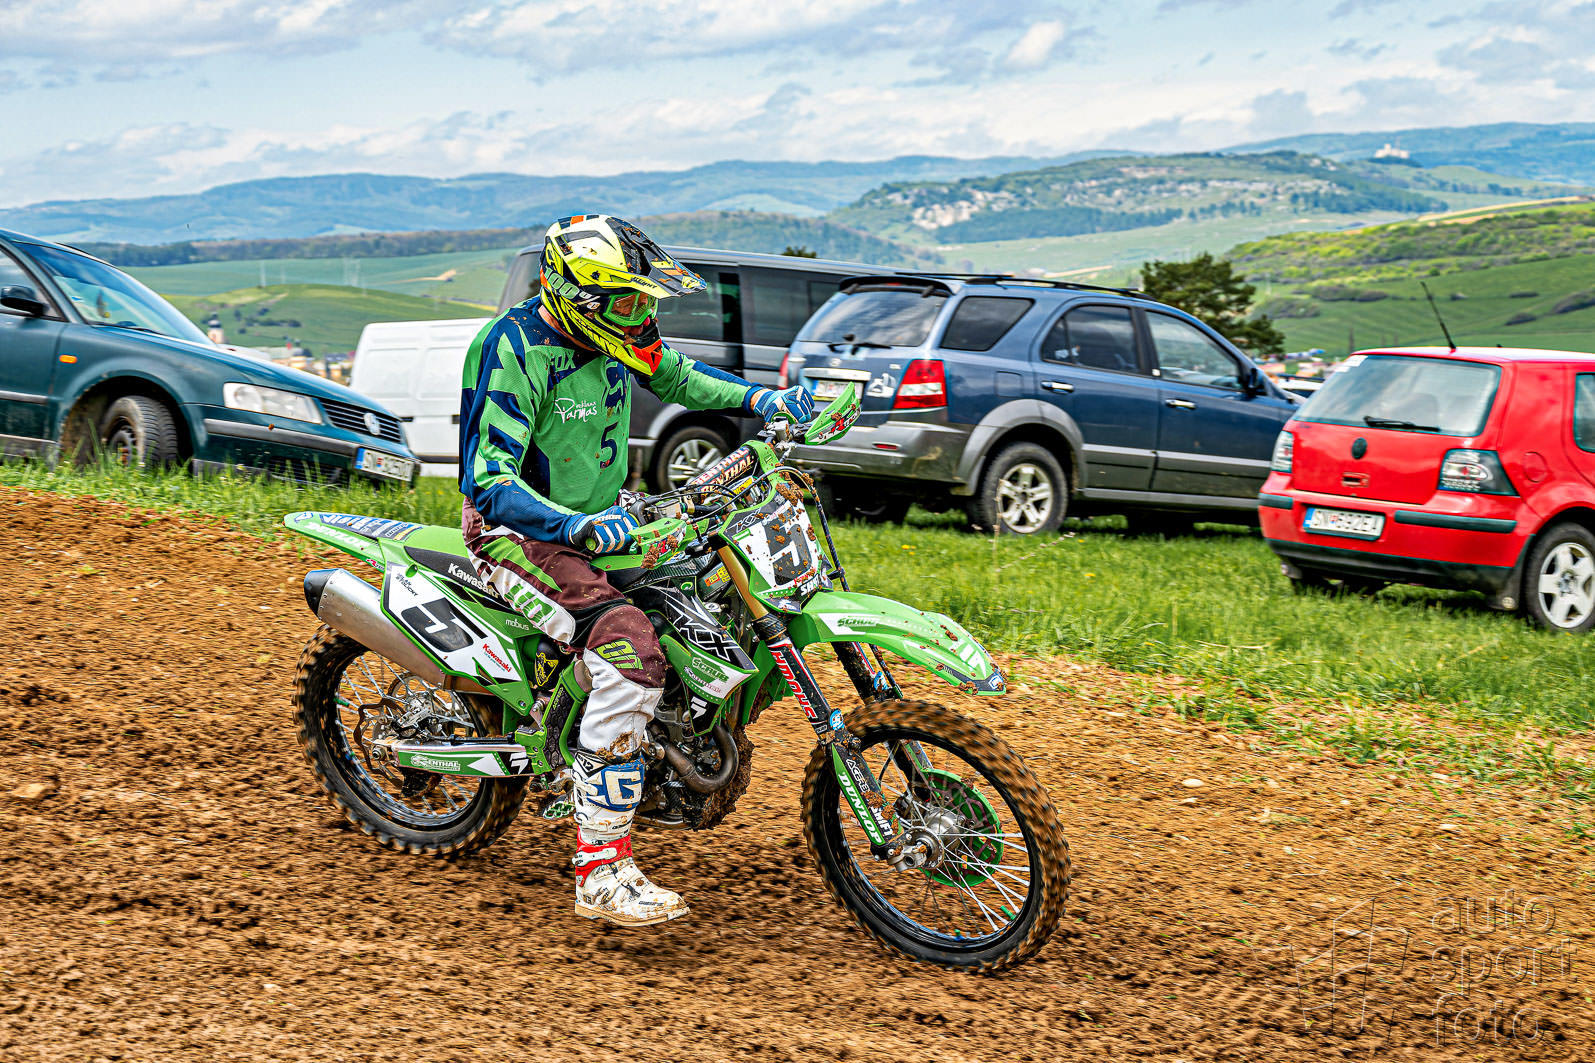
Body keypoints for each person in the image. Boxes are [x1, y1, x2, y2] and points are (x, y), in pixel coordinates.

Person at [457, 215, 815, 927]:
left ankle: (644, 739)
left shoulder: (613, 332)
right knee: (630, 648)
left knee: (705, 589)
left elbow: (679, 375)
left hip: (600, 516)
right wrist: (575, 526)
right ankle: (599, 869)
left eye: (644, 299)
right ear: (577, 296)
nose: (641, 313)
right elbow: (489, 478)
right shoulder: (512, 349)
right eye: (627, 300)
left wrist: (763, 400)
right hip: (519, 533)